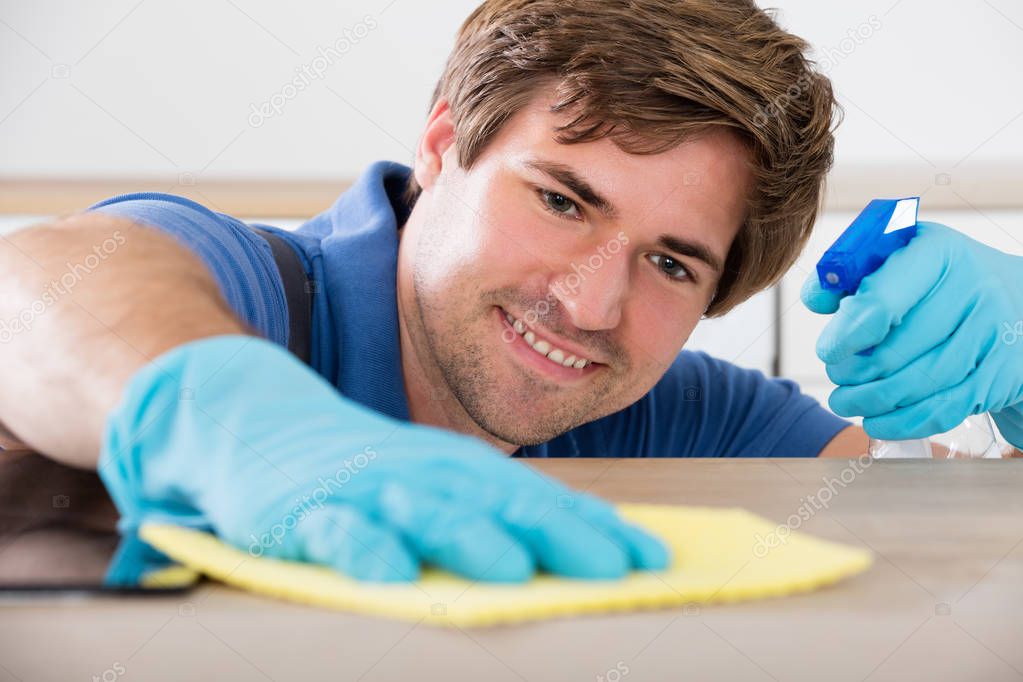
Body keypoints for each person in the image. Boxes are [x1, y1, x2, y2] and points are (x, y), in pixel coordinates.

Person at [1, 0, 1020, 583]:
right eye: (563, 200)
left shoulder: (672, 413)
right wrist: (232, 419)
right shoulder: (257, 295)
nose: (588, 305)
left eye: (671, 262)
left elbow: (950, 517)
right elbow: (42, 286)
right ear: (443, 146)